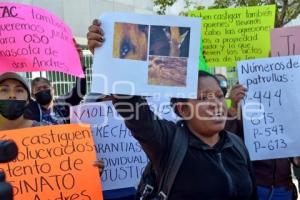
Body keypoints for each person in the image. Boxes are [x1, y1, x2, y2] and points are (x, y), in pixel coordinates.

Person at [87, 19, 258, 200]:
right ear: (183, 110)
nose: (216, 103)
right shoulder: (168, 142)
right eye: (203, 98)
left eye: (219, 95)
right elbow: (130, 105)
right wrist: (107, 57)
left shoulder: (237, 146)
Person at [225, 83, 299, 200]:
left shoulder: (287, 112)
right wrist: (233, 107)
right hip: (255, 186)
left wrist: (295, 157)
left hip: (284, 187)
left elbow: (291, 148)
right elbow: (225, 139)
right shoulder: (242, 111)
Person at [25, 41, 87, 124]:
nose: (43, 90)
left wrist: (80, 66)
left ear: (53, 89)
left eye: (45, 87)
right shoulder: (28, 110)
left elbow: (80, 91)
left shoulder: (64, 103)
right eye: (38, 89)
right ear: (33, 95)